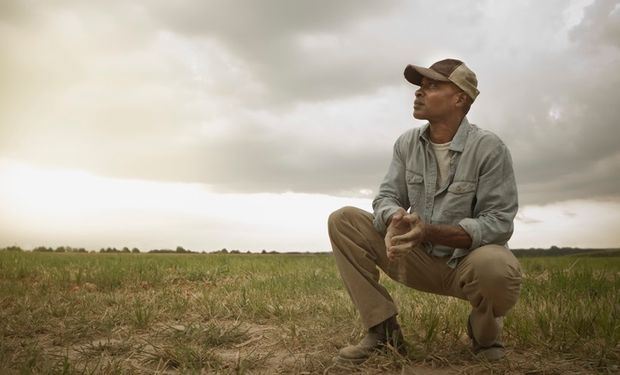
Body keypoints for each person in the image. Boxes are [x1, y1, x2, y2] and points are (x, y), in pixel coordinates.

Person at [328, 58, 522, 364]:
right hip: (414, 257)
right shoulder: (407, 143)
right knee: (344, 220)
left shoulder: (489, 148)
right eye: (420, 87)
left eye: (432, 86)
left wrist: (428, 231)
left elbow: (498, 224)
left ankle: (484, 334)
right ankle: (383, 332)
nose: (419, 93)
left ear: (460, 98)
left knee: (497, 266)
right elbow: (388, 196)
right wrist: (394, 218)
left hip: (465, 265)